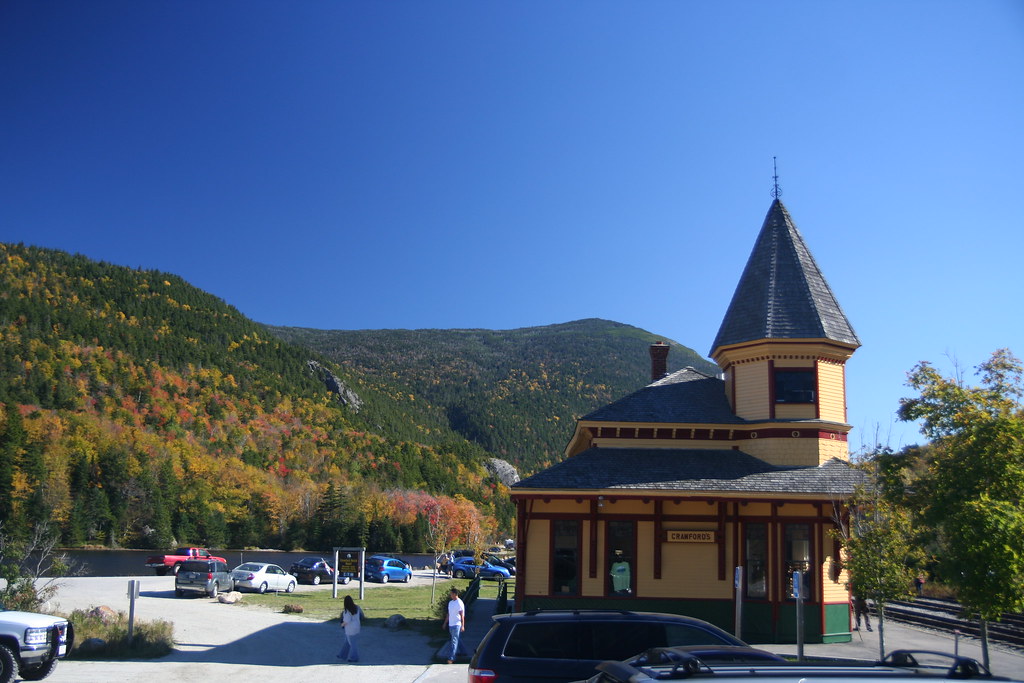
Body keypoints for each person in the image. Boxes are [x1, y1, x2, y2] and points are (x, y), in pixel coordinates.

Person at [441, 587, 466, 664]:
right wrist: (445, 623)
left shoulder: (459, 603)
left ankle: (451, 658)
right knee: (457, 638)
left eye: (451, 594)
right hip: (451, 624)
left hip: (457, 624)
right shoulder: (451, 603)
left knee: (454, 641)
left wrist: (462, 625)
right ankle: (463, 651)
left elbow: (462, 615)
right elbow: (449, 614)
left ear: (455, 594)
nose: (450, 595)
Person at [336, 595, 364, 663]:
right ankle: (342, 655)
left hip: (350, 629)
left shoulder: (347, 611)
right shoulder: (356, 607)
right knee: (347, 642)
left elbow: (346, 621)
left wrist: (341, 625)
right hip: (356, 627)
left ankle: (354, 657)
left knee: (352, 644)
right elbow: (361, 615)